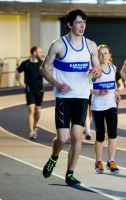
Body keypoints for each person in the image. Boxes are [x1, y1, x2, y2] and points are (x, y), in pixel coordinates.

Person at [40, 9, 101, 186]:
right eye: (78, 22)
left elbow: (97, 70)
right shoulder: (58, 45)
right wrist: (58, 84)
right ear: (69, 24)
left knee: (76, 136)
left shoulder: (90, 45)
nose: (82, 26)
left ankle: (70, 173)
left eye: (84, 22)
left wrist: (95, 72)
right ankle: (54, 156)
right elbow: (43, 69)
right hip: (63, 97)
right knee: (63, 138)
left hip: (81, 96)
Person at [92, 44, 121, 174]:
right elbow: (85, 88)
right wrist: (97, 92)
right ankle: (98, 162)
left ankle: (111, 161)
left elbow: (113, 83)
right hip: (98, 106)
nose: (103, 56)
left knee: (113, 134)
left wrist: (116, 92)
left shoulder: (113, 68)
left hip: (111, 105)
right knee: (100, 135)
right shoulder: (94, 70)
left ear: (109, 55)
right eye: (100, 53)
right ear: (97, 56)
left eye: (105, 53)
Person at [15, 46, 44, 140]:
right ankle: (31, 132)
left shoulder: (42, 63)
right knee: (31, 110)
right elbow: (17, 71)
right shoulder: (26, 63)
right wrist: (20, 81)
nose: (41, 53)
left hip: (39, 89)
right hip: (29, 89)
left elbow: (48, 72)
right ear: (34, 53)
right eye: (39, 52)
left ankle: (35, 125)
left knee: (38, 111)